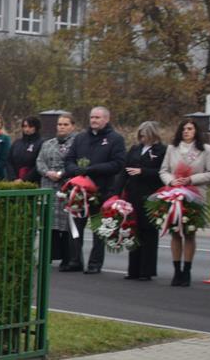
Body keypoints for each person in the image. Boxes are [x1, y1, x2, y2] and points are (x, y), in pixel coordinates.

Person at [159, 118, 210, 286]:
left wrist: (190, 179)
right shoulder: (172, 149)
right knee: (175, 233)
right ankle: (177, 271)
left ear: (196, 131)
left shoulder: (205, 149)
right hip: (174, 195)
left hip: (194, 195)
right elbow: (163, 170)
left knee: (189, 233)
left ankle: (187, 270)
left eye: (190, 128)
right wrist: (171, 181)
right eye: (184, 128)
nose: (186, 131)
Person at [72, 106, 127, 274]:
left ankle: (95, 263)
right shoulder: (80, 138)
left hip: (102, 190)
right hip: (80, 190)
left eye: (97, 117)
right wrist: (76, 170)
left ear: (106, 119)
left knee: (99, 229)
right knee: (75, 227)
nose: (93, 120)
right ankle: (75, 260)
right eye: (91, 117)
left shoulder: (115, 139)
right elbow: (69, 159)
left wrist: (92, 169)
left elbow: (118, 164)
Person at [120, 121, 166, 282]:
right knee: (134, 231)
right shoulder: (135, 149)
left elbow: (162, 172)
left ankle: (146, 271)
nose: (142, 138)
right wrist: (117, 192)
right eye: (140, 135)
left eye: (144, 135)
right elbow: (124, 170)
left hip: (151, 195)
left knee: (148, 232)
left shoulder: (162, 151)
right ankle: (133, 269)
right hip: (133, 195)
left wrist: (143, 171)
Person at [37, 113, 79, 268]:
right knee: (49, 224)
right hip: (49, 185)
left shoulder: (77, 143)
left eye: (65, 124)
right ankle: (47, 255)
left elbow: (76, 162)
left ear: (72, 126)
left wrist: (62, 174)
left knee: (66, 225)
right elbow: (40, 161)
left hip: (66, 187)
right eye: (59, 124)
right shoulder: (48, 143)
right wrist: (47, 172)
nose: (61, 127)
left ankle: (68, 258)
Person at [8, 117, 43, 183]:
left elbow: (39, 164)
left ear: (36, 127)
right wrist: (13, 178)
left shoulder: (41, 143)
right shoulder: (17, 143)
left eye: (30, 126)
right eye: (25, 126)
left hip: (33, 181)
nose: (27, 129)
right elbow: (9, 161)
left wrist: (24, 179)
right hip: (14, 180)